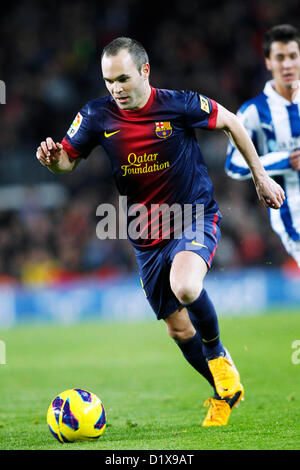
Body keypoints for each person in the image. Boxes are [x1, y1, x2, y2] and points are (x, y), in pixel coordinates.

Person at [36, 37, 284, 426]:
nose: (115, 89)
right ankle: (225, 391)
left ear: (144, 71)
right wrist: (54, 162)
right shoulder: (97, 115)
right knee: (177, 327)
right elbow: (67, 161)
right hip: (145, 236)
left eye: (122, 78)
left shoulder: (179, 104)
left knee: (186, 286)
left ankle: (218, 356)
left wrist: (261, 178)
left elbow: (232, 122)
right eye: (108, 81)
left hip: (193, 216)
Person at [226, 24, 300, 268]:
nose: (287, 64)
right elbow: (233, 165)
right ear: (268, 62)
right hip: (293, 216)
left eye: (292, 56)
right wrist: (285, 160)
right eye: (280, 57)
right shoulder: (253, 112)